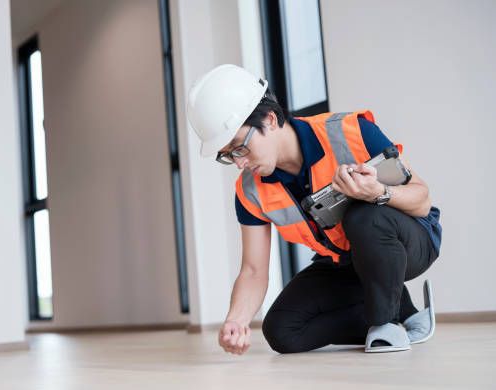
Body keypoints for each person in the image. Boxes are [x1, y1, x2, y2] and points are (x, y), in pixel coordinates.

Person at [186, 64, 442, 354]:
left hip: (410, 242)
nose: (239, 163)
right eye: (228, 155)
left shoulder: (351, 133)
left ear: (269, 119)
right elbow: (254, 270)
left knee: (364, 217)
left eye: (239, 147)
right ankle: (401, 312)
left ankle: (386, 324)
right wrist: (236, 320)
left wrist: (379, 193)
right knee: (282, 331)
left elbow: (422, 200)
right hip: (346, 261)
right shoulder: (250, 190)